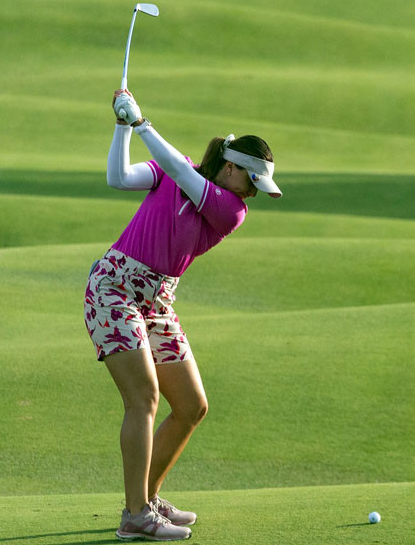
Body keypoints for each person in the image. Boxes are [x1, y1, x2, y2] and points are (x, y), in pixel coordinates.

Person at [85, 88, 282, 541]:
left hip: (157, 302)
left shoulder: (231, 209)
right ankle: (136, 515)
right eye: (251, 180)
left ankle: (148, 498)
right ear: (230, 166)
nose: (253, 191)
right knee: (144, 399)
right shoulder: (178, 170)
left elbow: (177, 168)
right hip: (113, 289)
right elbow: (119, 177)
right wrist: (122, 127)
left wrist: (142, 123)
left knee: (192, 405)